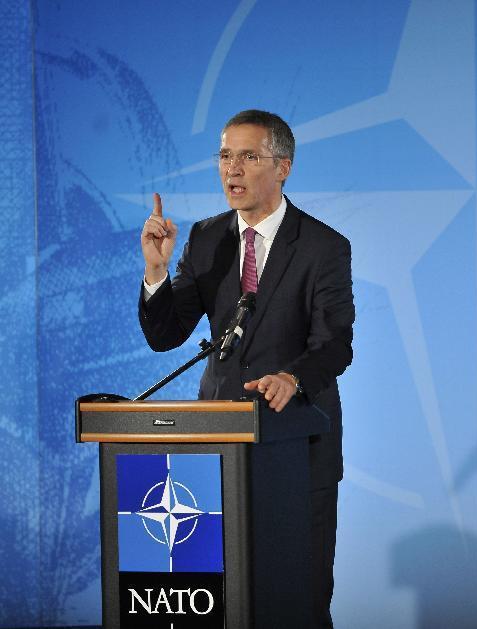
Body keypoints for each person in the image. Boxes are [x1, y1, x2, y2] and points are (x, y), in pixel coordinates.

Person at [139, 109, 354, 627]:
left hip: (297, 445)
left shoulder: (324, 246)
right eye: (225, 156)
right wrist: (156, 271)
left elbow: (336, 344)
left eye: (249, 156)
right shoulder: (207, 238)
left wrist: (293, 377)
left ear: (282, 167)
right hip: (217, 444)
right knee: (220, 597)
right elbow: (167, 335)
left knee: (297, 602)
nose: (232, 169)